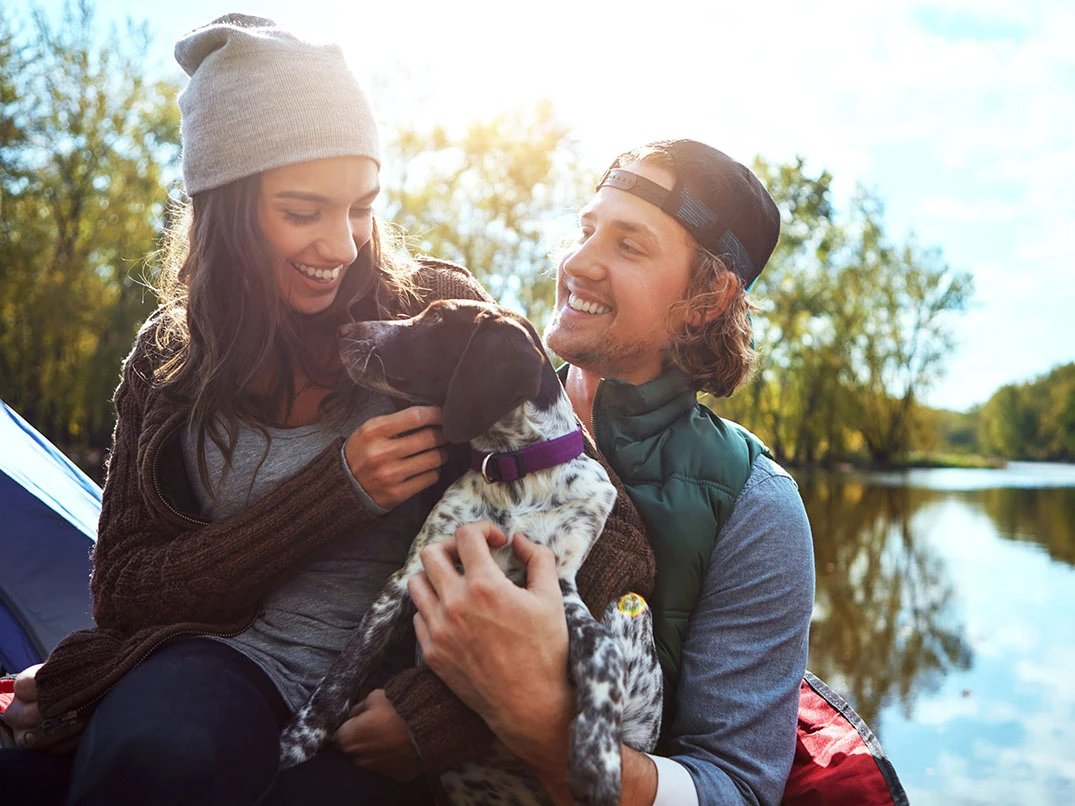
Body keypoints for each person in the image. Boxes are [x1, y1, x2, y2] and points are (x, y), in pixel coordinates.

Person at [0, 14, 653, 805]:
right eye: (303, 211)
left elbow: (609, 535)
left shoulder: (438, 314)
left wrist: (434, 717)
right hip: (219, 665)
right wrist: (333, 494)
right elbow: (129, 590)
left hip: (380, 697)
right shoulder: (170, 358)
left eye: (361, 207)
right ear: (228, 209)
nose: (342, 245)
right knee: (152, 763)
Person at [404, 140, 816, 805]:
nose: (577, 262)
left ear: (709, 295)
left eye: (630, 246)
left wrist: (544, 721)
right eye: (586, 229)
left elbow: (735, 788)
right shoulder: (461, 398)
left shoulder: (754, 506)